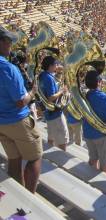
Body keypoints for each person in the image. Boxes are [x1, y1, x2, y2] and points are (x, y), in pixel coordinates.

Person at [0, 27, 42, 193]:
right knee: (35, 158)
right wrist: (33, 92)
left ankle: (17, 195)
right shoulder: (8, 68)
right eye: (8, 41)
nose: (11, 45)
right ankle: (29, 197)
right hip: (16, 120)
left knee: (14, 159)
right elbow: (20, 102)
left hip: (1, 123)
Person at [83, 70, 106, 174]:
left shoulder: (84, 95)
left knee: (93, 159)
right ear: (98, 82)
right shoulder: (104, 97)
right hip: (103, 136)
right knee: (105, 165)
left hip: (88, 133)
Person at [39, 56, 69, 151]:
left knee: (51, 138)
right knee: (63, 141)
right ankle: (61, 159)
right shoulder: (49, 78)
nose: (57, 65)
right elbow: (50, 98)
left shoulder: (43, 75)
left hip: (49, 113)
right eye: (55, 64)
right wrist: (62, 91)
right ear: (50, 66)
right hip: (55, 114)